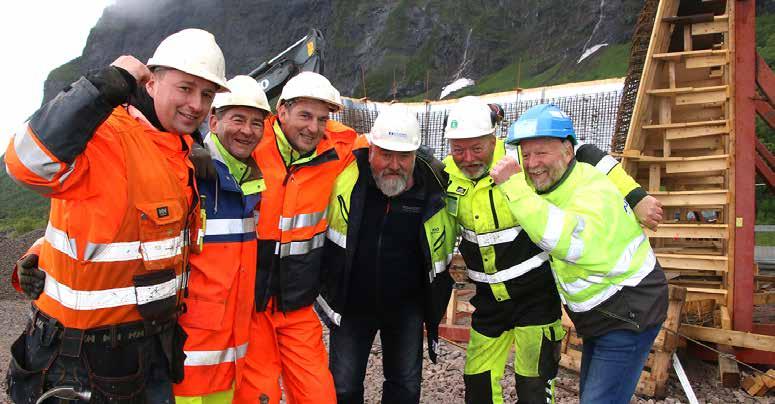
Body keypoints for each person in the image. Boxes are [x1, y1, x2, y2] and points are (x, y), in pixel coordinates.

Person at [4, 28, 229, 403]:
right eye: (185, 88)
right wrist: (103, 85)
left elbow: (111, 229)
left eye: (207, 94)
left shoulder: (179, 149)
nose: (197, 104)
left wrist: (41, 249)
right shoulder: (106, 134)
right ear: (152, 83)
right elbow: (26, 163)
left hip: (150, 351)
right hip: (80, 361)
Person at [442, 96, 663, 404]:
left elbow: (583, 152)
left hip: (536, 297)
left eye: (476, 148)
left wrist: (635, 195)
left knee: (534, 389)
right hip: (489, 301)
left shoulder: (520, 158)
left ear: (494, 139)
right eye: (458, 149)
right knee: (478, 387)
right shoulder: (446, 175)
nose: (467, 158)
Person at [317, 106, 456, 404]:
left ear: (415, 156)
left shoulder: (432, 187)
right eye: (386, 154)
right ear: (370, 151)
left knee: (404, 388)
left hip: (406, 308)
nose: (394, 164)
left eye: (403, 156)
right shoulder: (346, 178)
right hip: (352, 305)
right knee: (342, 387)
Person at [233, 72, 358, 404]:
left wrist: (418, 165)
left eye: (322, 118)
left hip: (299, 307)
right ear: (282, 110)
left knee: (319, 395)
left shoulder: (337, 148)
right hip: (252, 308)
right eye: (305, 115)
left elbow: (376, 148)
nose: (314, 128)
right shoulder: (249, 146)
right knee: (260, 395)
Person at [173, 75, 270, 404]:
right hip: (186, 354)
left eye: (256, 123)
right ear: (213, 121)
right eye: (238, 119)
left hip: (228, 352)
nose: (247, 130)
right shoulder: (188, 172)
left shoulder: (253, 182)